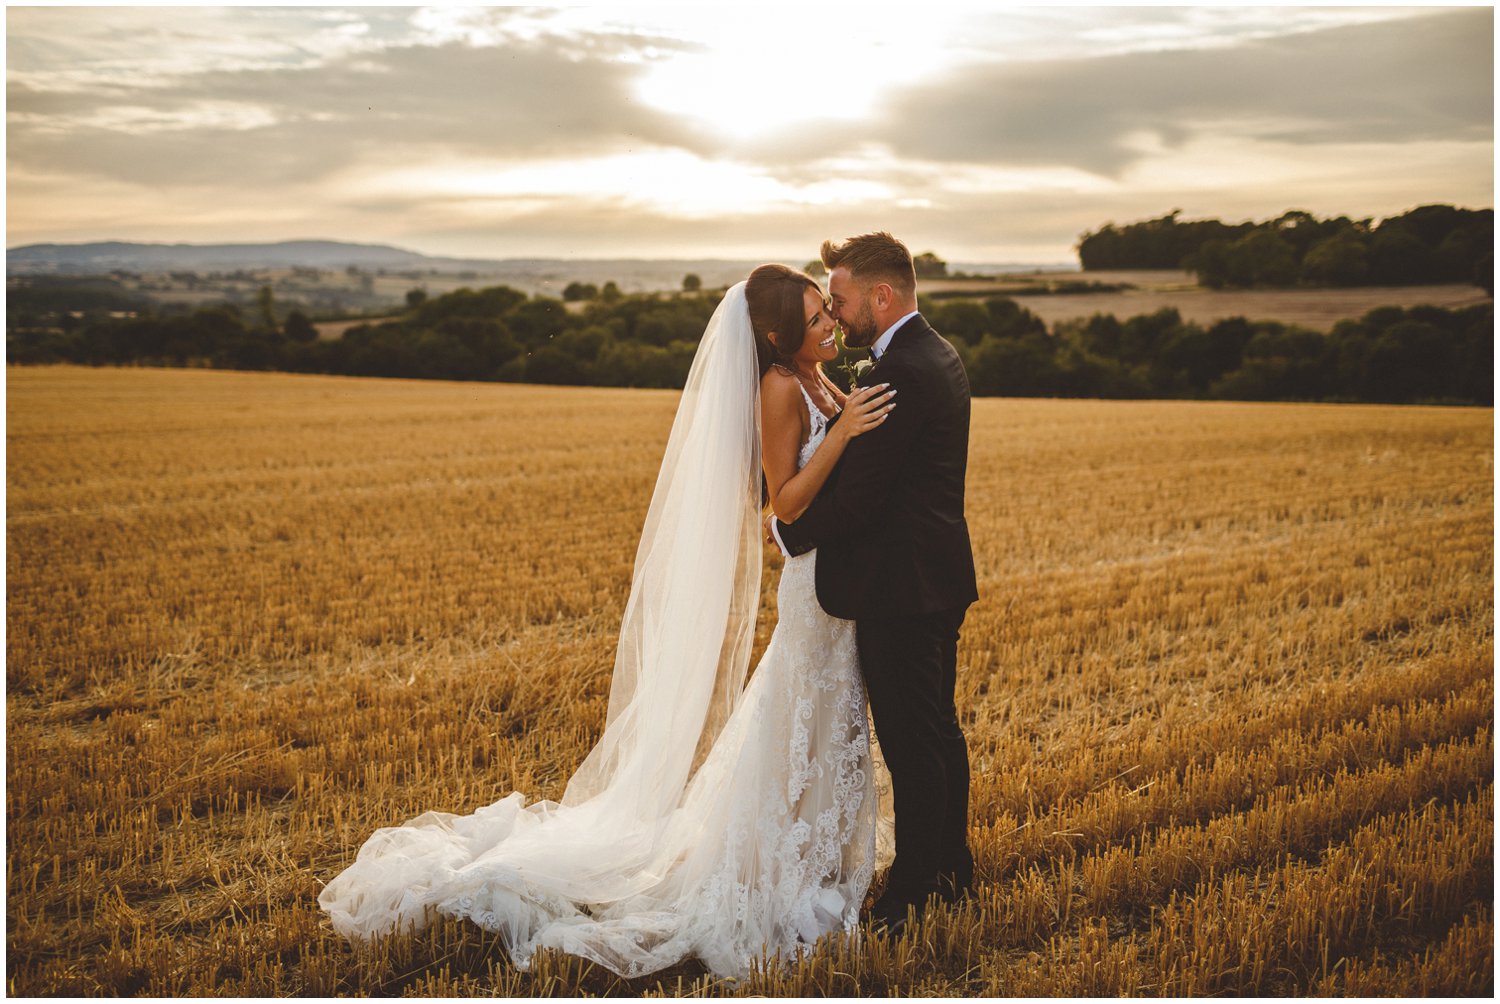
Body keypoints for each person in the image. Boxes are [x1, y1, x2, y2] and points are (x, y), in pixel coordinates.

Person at [318, 265, 898, 980]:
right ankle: (771, 869)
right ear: (778, 335)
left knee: (817, 723)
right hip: (814, 588)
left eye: (827, 314)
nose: (830, 326)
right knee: (800, 718)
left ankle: (809, 857)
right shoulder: (780, 386)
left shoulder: (813, 375)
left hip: (838, 585)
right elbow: (785, 503)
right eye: (817, 319)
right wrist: (841, 436)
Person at [769, 232, 979, 936]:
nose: (838, 313)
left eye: (844, 300)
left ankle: (917, 890)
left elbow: (860, 498)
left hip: (900, 588)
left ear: (881, 297)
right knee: (938, 733)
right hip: (935, 574)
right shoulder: (935, 353)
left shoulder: (898, 373)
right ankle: (952, 866)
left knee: (914, 742)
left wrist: (789, 534)